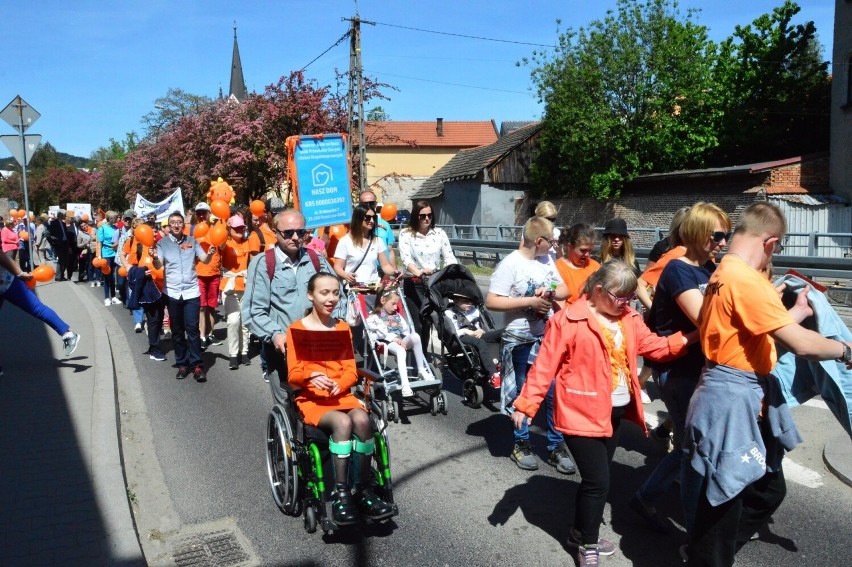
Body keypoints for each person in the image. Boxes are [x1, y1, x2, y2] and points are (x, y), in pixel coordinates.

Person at [682, 202, 852, 566]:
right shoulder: (746, 281)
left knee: (763, 489)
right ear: (771, 242)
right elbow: (803, 345)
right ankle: (706, 556)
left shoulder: (723, 273)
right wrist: (845, 349)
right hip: (732, 400)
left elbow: (749, 334)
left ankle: (708, 551)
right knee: (724, 500)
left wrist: (799, 313)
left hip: (724, 393)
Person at [510, 261, 694, 567]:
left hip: (614, 415)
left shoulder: (629, 318)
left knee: (597, 479)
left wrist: (696, 335)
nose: (626, 304)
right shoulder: (568, 320)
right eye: (620, 298)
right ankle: (587, 543)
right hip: (579, 414)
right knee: (598, 482)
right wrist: (527, 404)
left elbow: (657, 348)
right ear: (598, 290)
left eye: (629, 298)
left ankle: (578, 531)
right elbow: (544, 366)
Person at [630, 202, 731, 537]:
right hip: (675, 370)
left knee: (695, 444)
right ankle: (690, 524)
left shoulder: (710, 268)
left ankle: (662, 499)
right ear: (698, 232)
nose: (723, 241)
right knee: (693, 446)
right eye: (717, 235)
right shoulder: (678, 268)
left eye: (726, 235)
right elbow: (707, 319)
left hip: (700, 367)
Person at [286, 272, 394, 525]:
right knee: (343, 424)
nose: (331, 298)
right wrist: (311, 376)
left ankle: (364, 490)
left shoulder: (342, 327)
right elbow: (293, 374)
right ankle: (341, 494)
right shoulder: (296, 330)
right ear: (310, 295)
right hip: (312, 400)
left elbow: (349, 370)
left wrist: (340, 384)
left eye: (335, 293)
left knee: (364, 421)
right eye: (324, 293)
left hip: (341, 395)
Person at [486, 216, 574, 474]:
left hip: (545, 336)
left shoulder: (546, 260)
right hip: (518, 338)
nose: (554, 246)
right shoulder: (510, 264)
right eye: (551, 241)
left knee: (553, 391)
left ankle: (556, 446)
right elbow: (492, 301)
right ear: (539, 241)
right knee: (521, 393)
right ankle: (521, 443)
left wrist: (548, 293)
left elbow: (565, 289)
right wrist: (529, 302)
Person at [243, 208, 344, 395]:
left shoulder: (316, 260)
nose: (296, 237)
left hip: (320, 348)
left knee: (328, 402)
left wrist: (335, 326)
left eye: (301, 232)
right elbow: (253, 312)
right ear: (275, 233)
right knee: (291, 407)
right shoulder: (263, 264)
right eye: (288, 233)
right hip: (283, 352)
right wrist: (275, 335)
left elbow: (340, 297)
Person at [150, 211, 215, 381]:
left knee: (192, 330)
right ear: (169, 226)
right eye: (173, 222)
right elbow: (158, 265)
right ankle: (182, 364)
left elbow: (204, 260)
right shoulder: (162, 243)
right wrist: (155, 258)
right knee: (177, 331)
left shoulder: (192, 241)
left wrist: (210, 254)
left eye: (179, 222)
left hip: (191, 292)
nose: (177, 225)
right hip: (172, 292)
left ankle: (197, 365)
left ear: (183, 225)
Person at [397, 200, 458, 356]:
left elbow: (449, 256)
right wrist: (418, 271)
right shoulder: (406, 234)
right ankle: (420, 359)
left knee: (437, 321)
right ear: (415, 216)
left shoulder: (439, 233)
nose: (426, 219)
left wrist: (451, 271)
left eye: (429, 215)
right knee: (419, 324)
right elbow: (406, 259)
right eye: (422, 216)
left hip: (435, 282)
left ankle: (445, 354)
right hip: (415, 282)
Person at [0, 249, 80, 357]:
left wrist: (19, 273)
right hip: (5, 281)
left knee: (37, 308)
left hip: (6, 281)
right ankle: (67, 334)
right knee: (37, 308)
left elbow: (2, 256)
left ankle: (68, 334)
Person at [365, 287, 434, 397]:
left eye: (396, 304)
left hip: (401, 339)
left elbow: (405, 329)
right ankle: (405, 384)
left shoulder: (396, 315)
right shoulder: (375, 317)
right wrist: (394, 338)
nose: (395, 307)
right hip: (387, 342)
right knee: (401, 350)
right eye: (393, 304)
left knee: (415, 336)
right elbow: (379, 333)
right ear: (382, 301)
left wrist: (406, 338)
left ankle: (421, 370)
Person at [332, 204, 397, 301]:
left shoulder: (377, 240)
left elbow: (385, 266)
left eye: (373, 217)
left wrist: (394, 272)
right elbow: (337, 267)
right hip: (354, 290)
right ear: (358, 218)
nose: (371, 221)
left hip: (374, 288)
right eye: (367, 217)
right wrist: (346, 275)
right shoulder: (345, 241)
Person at [445, 292, 501, 387]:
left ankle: (501, 362)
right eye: (466, 302)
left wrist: (480, 330)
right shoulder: (449, 313)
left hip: (476, 334)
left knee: (502, 333)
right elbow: (451, 332)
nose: (470, 304)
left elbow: (479, 326)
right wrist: (465, 331)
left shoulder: (474, 311)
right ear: (456, 301)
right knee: (480, 343)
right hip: (461, 337)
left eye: (471, 302)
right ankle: (493, 374)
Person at [220, 214, 252, 369]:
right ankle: (233, 354)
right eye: (236, 228)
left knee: (245, 322)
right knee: (233, 321)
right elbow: (219, 244)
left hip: (246, 286)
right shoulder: (225, 243)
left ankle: (244, 351)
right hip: (229, 287)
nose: (240, 230)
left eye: (242, 228)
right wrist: (224, 228)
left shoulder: (248, 242)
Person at [555, 223, 601, 307]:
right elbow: (558, 307)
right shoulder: (558, 268)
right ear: (570, 247)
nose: (587, 255)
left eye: (590, 250)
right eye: (583, 250)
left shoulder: (595, 266)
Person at [359, 190, 396, 267]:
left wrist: (395, 271)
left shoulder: (385, 224)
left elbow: (390, 250)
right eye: (365, 204)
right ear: (359, 205)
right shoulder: (354, 224)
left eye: (371, 203)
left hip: (384, 270)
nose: (368, 206)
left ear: (376, 204)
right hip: (364, 271)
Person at [97, 211, 121, 306]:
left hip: (115, 254)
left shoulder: (115, 228)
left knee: (113, 276)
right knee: (107, 276)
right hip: (106, 254)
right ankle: (107, 297)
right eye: (115, 218)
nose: (117, 220)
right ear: (110, 218)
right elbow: (99, 243)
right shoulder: (102, 228)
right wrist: (99, 256)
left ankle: (114, 296)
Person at [46, 210, 71, 281]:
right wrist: (53, 243)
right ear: (61, 215)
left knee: (65, 261)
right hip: (58, 244)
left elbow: (65, 234)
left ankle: (62, 275)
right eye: (65, 214)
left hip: (65, 243)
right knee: (61, 260)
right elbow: (48, 234)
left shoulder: (63, 223)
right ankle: (58, 276)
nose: (65, 216)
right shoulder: (53, 223)